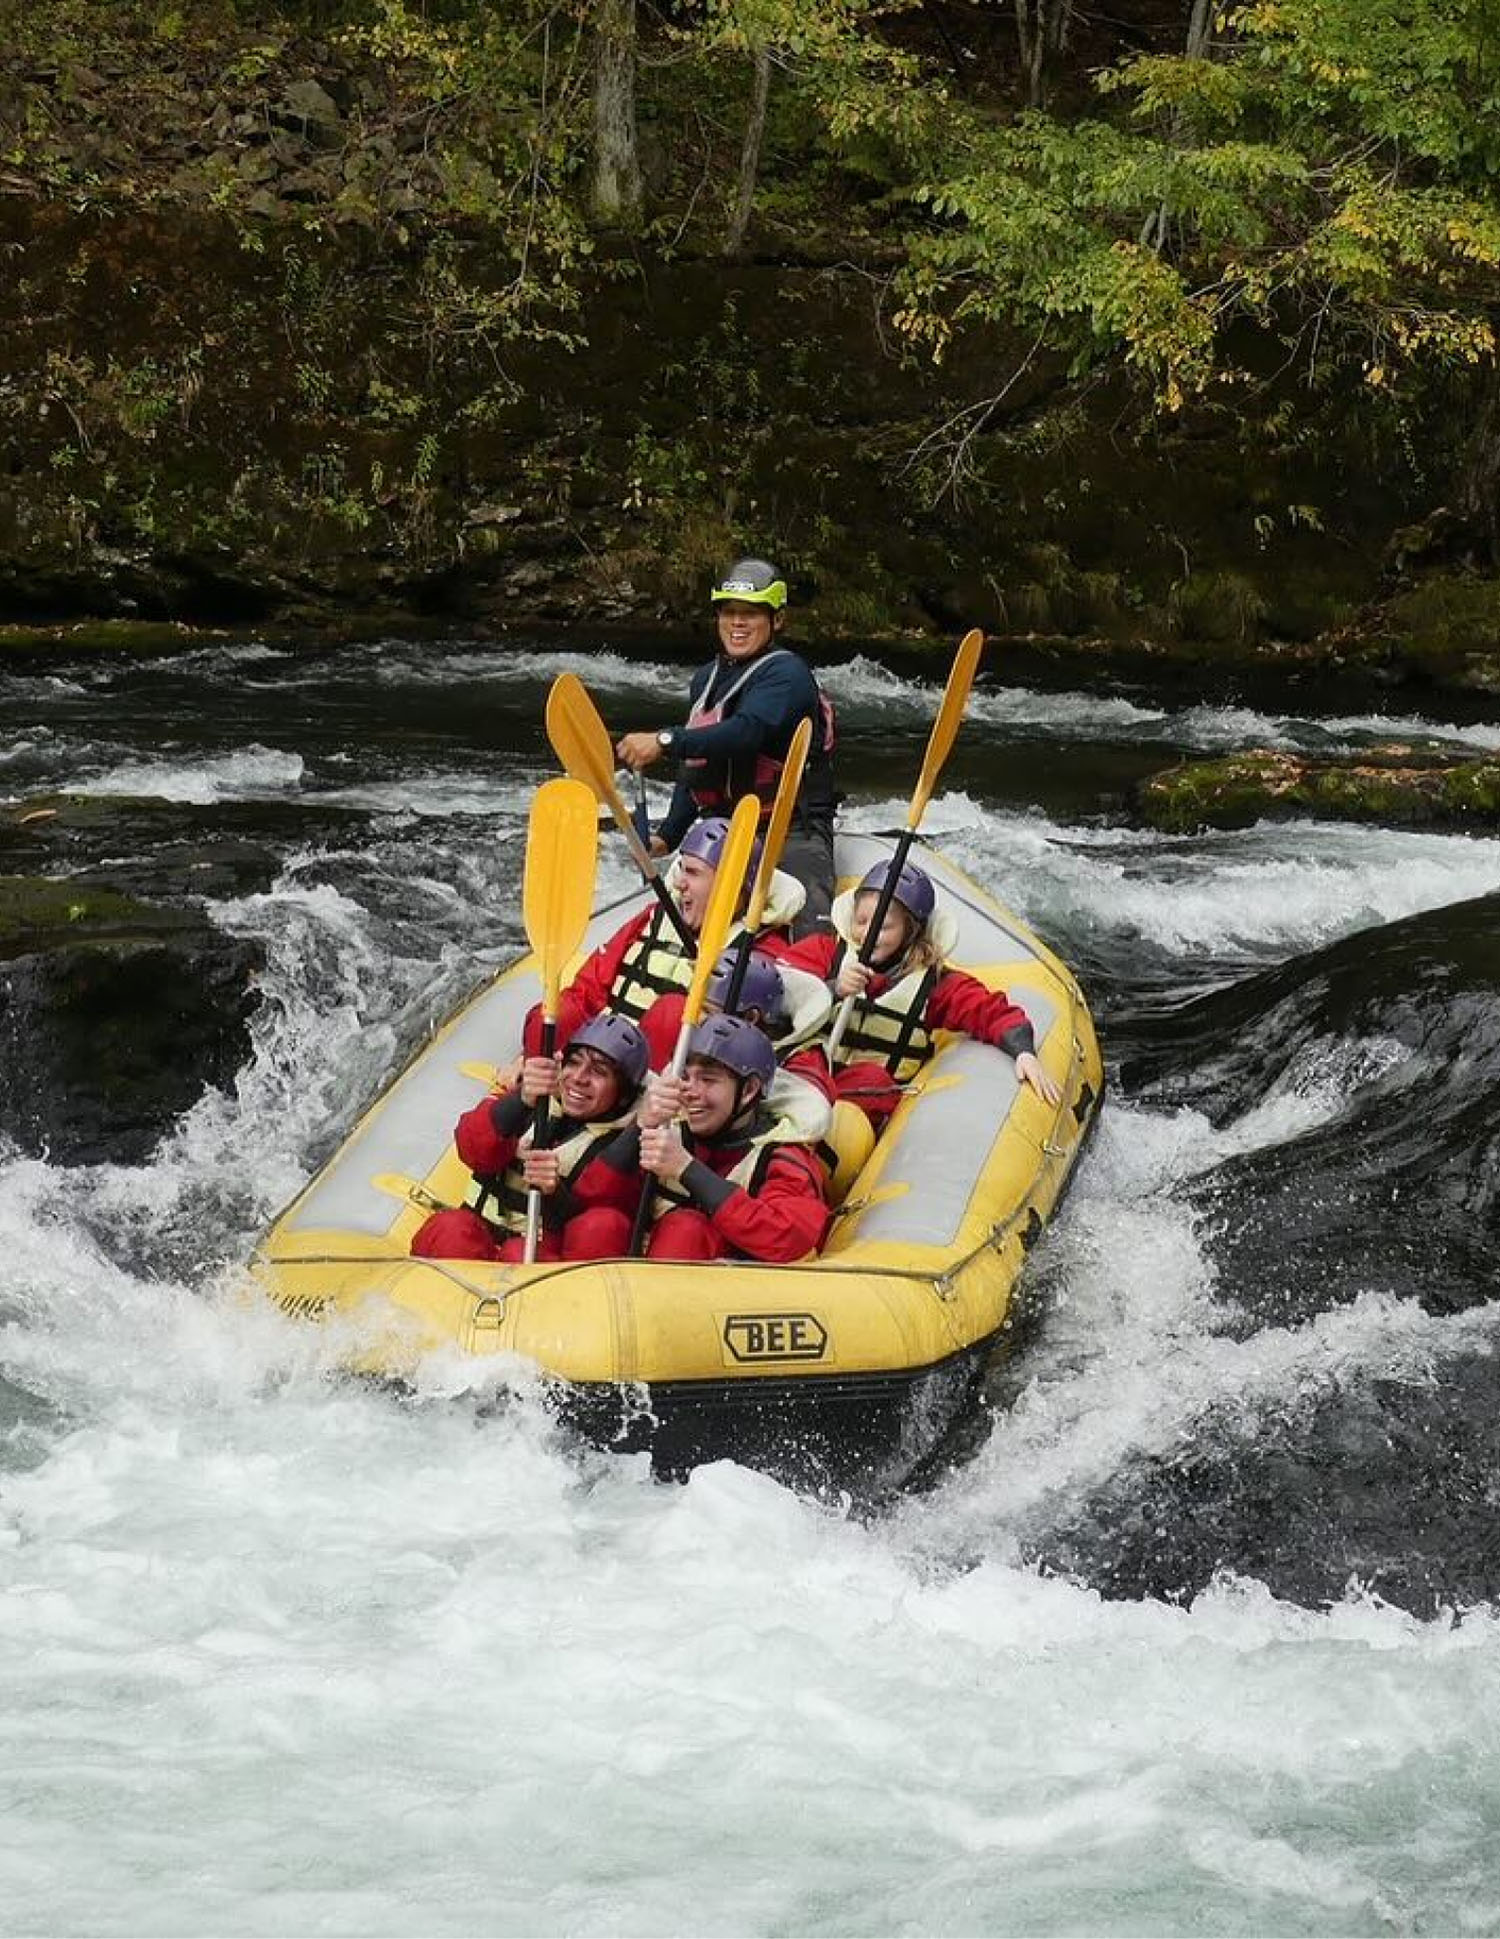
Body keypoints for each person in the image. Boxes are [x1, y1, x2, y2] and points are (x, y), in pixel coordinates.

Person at [614, 557, 837, 937]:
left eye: (750, 614)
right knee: (675, 929)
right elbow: (698, 766)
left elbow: (746, 732)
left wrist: (666, 740)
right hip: (724, 833)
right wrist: (667, 834)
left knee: (804, 929)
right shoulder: (706, 680)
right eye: (729, 612)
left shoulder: (788, 676)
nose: (737, 623)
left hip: (788, 832)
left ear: (776, 621)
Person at [778, 858, 1064, 1131]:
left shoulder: (936, 985)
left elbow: (988, 1010)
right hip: (811, 1072)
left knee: (874, 1081)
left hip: (861, 1096)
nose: (868, 933)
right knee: (806, 1062)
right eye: (861, 920)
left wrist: (1024, 1051)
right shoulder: (825, 952)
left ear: (911, 930)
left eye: (884, 926)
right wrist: (832, 988)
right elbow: (778, 989)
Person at [521, 814, 802, 1055]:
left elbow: (736, 1042)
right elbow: (589, 987)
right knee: (554, 1014)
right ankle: (534, 1092)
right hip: (599, 1057)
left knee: (672, 1015)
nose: (679, 884)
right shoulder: (656, 915)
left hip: (664, 1084)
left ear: (730, 885)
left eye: (693, 873)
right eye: (681, 869)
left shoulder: (760, 950)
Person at [410, 1013, 649, 1263]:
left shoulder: (625, 1151)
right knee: (450, 1229)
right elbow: (472, 1148)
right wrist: (523, 1099)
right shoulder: (530, 1101)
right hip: (476, 1239)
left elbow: (593, 1235)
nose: (579, 1078)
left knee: (520, 1254)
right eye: (574, 1063)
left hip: (539, 1267)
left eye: (599, 1072)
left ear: (623, 1095)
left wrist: (553, 1193)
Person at [608, 1015, 831, 1264]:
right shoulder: (669, 1126)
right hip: (638, 1278)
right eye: (686, 1076)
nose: (690, 1092)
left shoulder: (782, 1153)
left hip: (716, 1289)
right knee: (600, 1225)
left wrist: (686, 1169)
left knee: (685, 1229)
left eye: (707, 1080)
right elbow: (593, 1198)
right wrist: (639, 1125)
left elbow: (790, 1240)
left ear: (748, 1090)